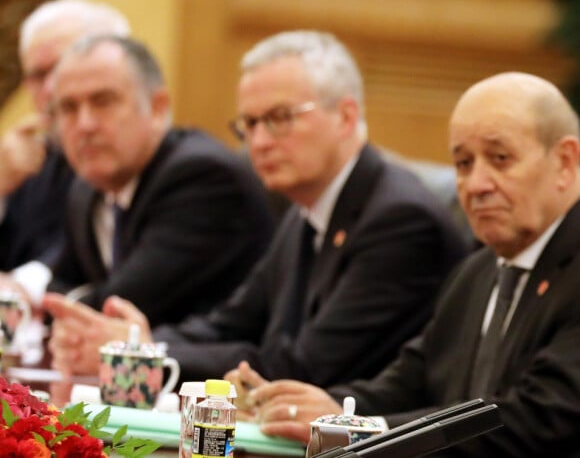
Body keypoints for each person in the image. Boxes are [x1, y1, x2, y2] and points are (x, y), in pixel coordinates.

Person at [44, 30, 468, 385]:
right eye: (249, 123)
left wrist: (149, 356)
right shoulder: (308, 208)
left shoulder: (400, 223)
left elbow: (303, 368)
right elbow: (232, 323)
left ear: (345, 116)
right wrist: (139, 341)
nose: (260, 142)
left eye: (280, 118)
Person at [237, 72, 580, 457]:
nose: (477, 184)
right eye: (464, 164)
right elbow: (409, 381)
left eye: (501, 159)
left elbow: (537, 419)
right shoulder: (477, 271)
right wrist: (322, 409)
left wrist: (368, 431)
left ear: (565, 162)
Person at [42, 33, 275, 328]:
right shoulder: (87, 188)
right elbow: (57, 286)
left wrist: (62, 306)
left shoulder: (204, 179)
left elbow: (123, 304)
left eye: (103, 102)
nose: (85, 124)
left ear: (157, 107)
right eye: (69, 108)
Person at [0, 0, 131, 304]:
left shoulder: (130, 158)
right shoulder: (28, 155)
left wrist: (16, 288)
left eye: (60, 68)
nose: (49, 90)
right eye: (36, 76)